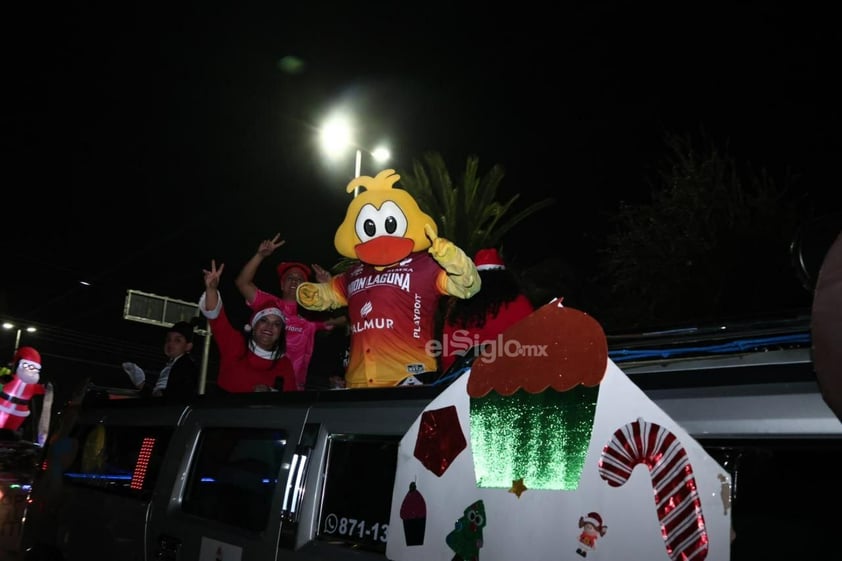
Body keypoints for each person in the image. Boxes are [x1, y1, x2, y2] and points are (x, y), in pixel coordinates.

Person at [296, 169, 480, 388]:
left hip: (408, 381)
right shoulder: (354, 273)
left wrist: (451, 257)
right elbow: (329, 294)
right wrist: (309, 293)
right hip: (358, 382)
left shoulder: (426, 265)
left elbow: (468, 285)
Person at [234, 234, 344, 390]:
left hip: (293, 391)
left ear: (306, 287)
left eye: (299, 279)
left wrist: (329, 288)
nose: (294, 281)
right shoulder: (268, 303)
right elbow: (242, 283)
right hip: (259, 385)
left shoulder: (310, 318)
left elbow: (344, 320)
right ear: (282, 284)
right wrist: (260, 255)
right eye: (290, 278)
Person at [199, 259, 295, 393]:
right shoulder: (236, 344)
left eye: (276, 324)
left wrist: (270, 392)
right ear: (254, 326)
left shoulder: (285, 365)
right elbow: (216, 317)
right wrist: (211, 289)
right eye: (264, 321)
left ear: (280, 332)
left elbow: (289, 404)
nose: (269, 327)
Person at [440, 248, 534, 372]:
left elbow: (448, 357)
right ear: (505, 279)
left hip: (465, 380)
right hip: (510, 376)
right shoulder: (519, 303)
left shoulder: (458, 308)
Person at [122, 320, 200, 401]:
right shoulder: (171, 363)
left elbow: (176, 396)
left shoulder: (187, 366)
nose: (170, 343)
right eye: (168, 339)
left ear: (188, 346)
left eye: (177, 340)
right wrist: (141, 383)